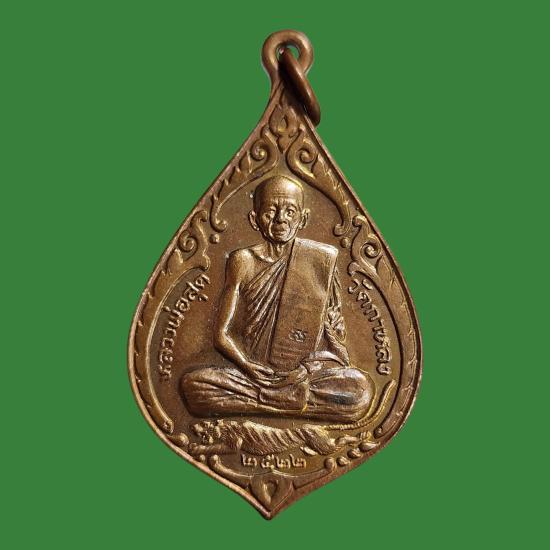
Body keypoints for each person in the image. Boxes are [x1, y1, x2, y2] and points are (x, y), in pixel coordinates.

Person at [181, 175, 373, 422]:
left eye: (290, 211)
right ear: (255, 219)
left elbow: (335, 345)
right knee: (193, 385)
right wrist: (248, 366)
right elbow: (221, 335)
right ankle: (288, 402)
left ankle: (267, 401)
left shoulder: (320, 261)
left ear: (303, 218)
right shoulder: (243, 260)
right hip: (251, 375)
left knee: (360, 389)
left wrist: (305, 370)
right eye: (270, 211)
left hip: (302, 376)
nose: (281, 219)